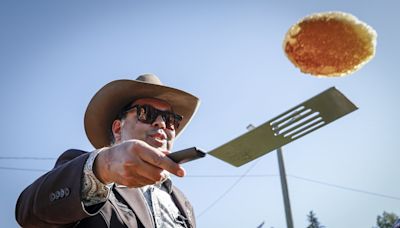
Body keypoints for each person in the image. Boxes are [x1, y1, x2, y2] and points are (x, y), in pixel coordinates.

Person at [15, 74, 200, 228]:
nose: (161, 123)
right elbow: (29, 213)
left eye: (170, 120)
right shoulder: (85, 171)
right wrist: (103, 168)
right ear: (118, 129)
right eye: (146, 113)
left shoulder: (183, 203)